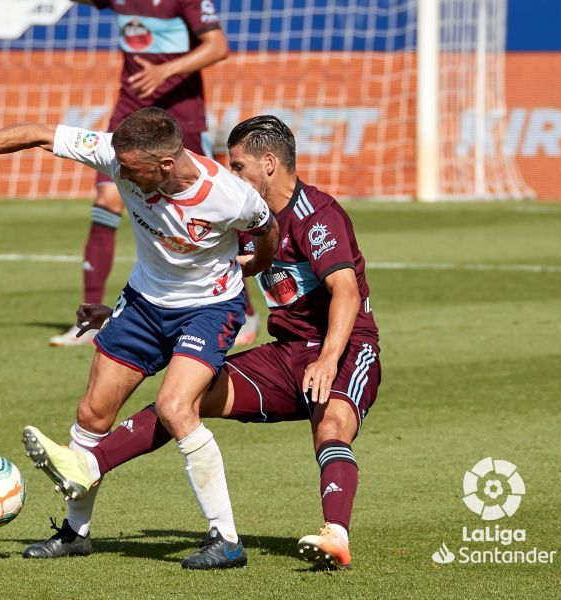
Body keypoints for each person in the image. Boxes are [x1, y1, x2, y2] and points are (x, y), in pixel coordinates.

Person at [23, 115, 381, 570]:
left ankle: (335, 535)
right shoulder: (245, 216)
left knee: (331, 427)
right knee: (182, 402)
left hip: (347, 347)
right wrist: (117, 313)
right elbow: (199, 280)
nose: (231, 173)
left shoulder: (318, 214)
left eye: (239, 165)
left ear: (269, 163)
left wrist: (329, 359)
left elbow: (346, 293)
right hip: (286, 353)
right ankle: (87, 482)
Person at [0, 107, 279, 569]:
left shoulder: (228, 196)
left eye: (133, 170)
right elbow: (40, 134)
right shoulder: (118, 156)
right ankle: (76, 533)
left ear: (164, 164)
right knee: (93, 412)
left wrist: (255, 267)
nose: (124, 177)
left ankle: (226, 540)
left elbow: (268, 230)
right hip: (143, 304)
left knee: (176, 406)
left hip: (208, 310)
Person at [50, 0, 260, 348]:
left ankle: (246, 309)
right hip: (132, 113)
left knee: (215, 210)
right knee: (105, 200)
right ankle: (89, 319)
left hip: (181, 117)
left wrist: (166, 71)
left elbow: (217, 46)